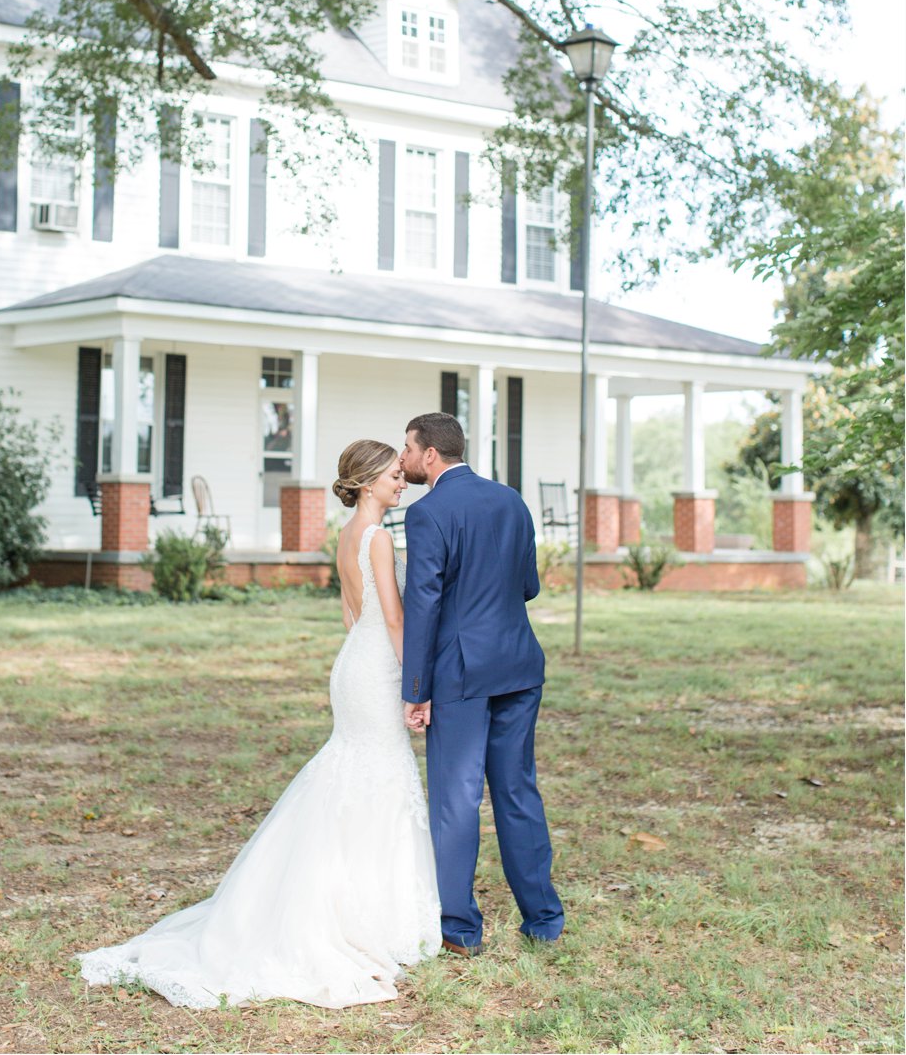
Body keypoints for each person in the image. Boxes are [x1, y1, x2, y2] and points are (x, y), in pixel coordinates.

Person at [77, 438, 441, 1009]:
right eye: (396, 475)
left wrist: (370, 659)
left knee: (355, 773)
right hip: (377, 669)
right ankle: (362, 915)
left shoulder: (347, 537)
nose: (403, 483)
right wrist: (416, 684)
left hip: (352, 664)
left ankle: (345, 898)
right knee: (377, 775)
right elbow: (394, 619)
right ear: (369, 482)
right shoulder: (377, 539)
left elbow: (351, 614)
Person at [398, 410, 565, 955]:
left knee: (457, 798)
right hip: (518, 662)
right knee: (517, 790)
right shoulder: (511, 501)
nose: (403, 460)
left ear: (430, 455)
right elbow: (529, 586)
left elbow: (423, 605)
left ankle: (460, 930)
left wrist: (415, 688)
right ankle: (543, 918)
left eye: (407, 449)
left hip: (461, 673)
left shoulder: (428, 514)